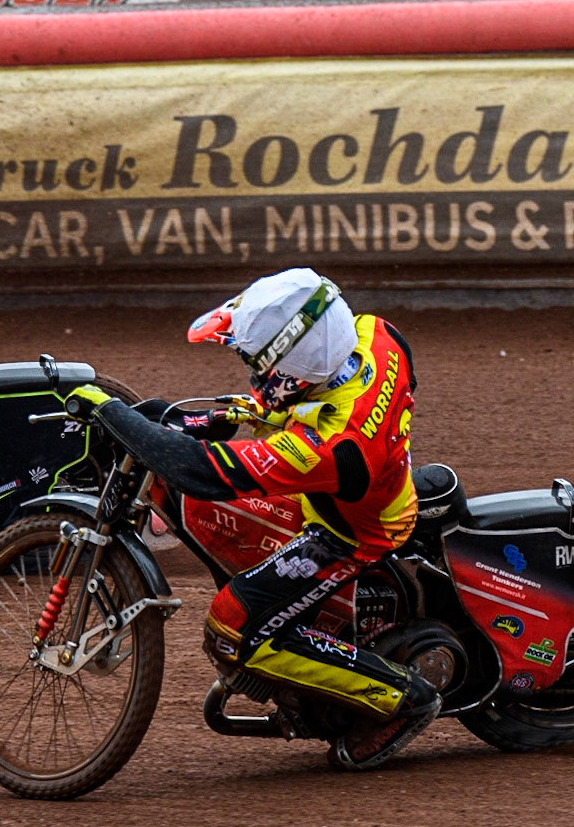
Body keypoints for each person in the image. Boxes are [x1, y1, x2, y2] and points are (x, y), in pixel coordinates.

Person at [65, 268, 439, 771]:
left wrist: (113, 412)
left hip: (350, 534)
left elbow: (197, 471)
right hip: (365, 483)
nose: (250, 374)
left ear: (294, 368)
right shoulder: (375, 334)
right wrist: (221, 414)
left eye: (256, 365)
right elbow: (321, 398)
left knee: (229, 627)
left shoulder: (330, 448)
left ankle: (403, 699)